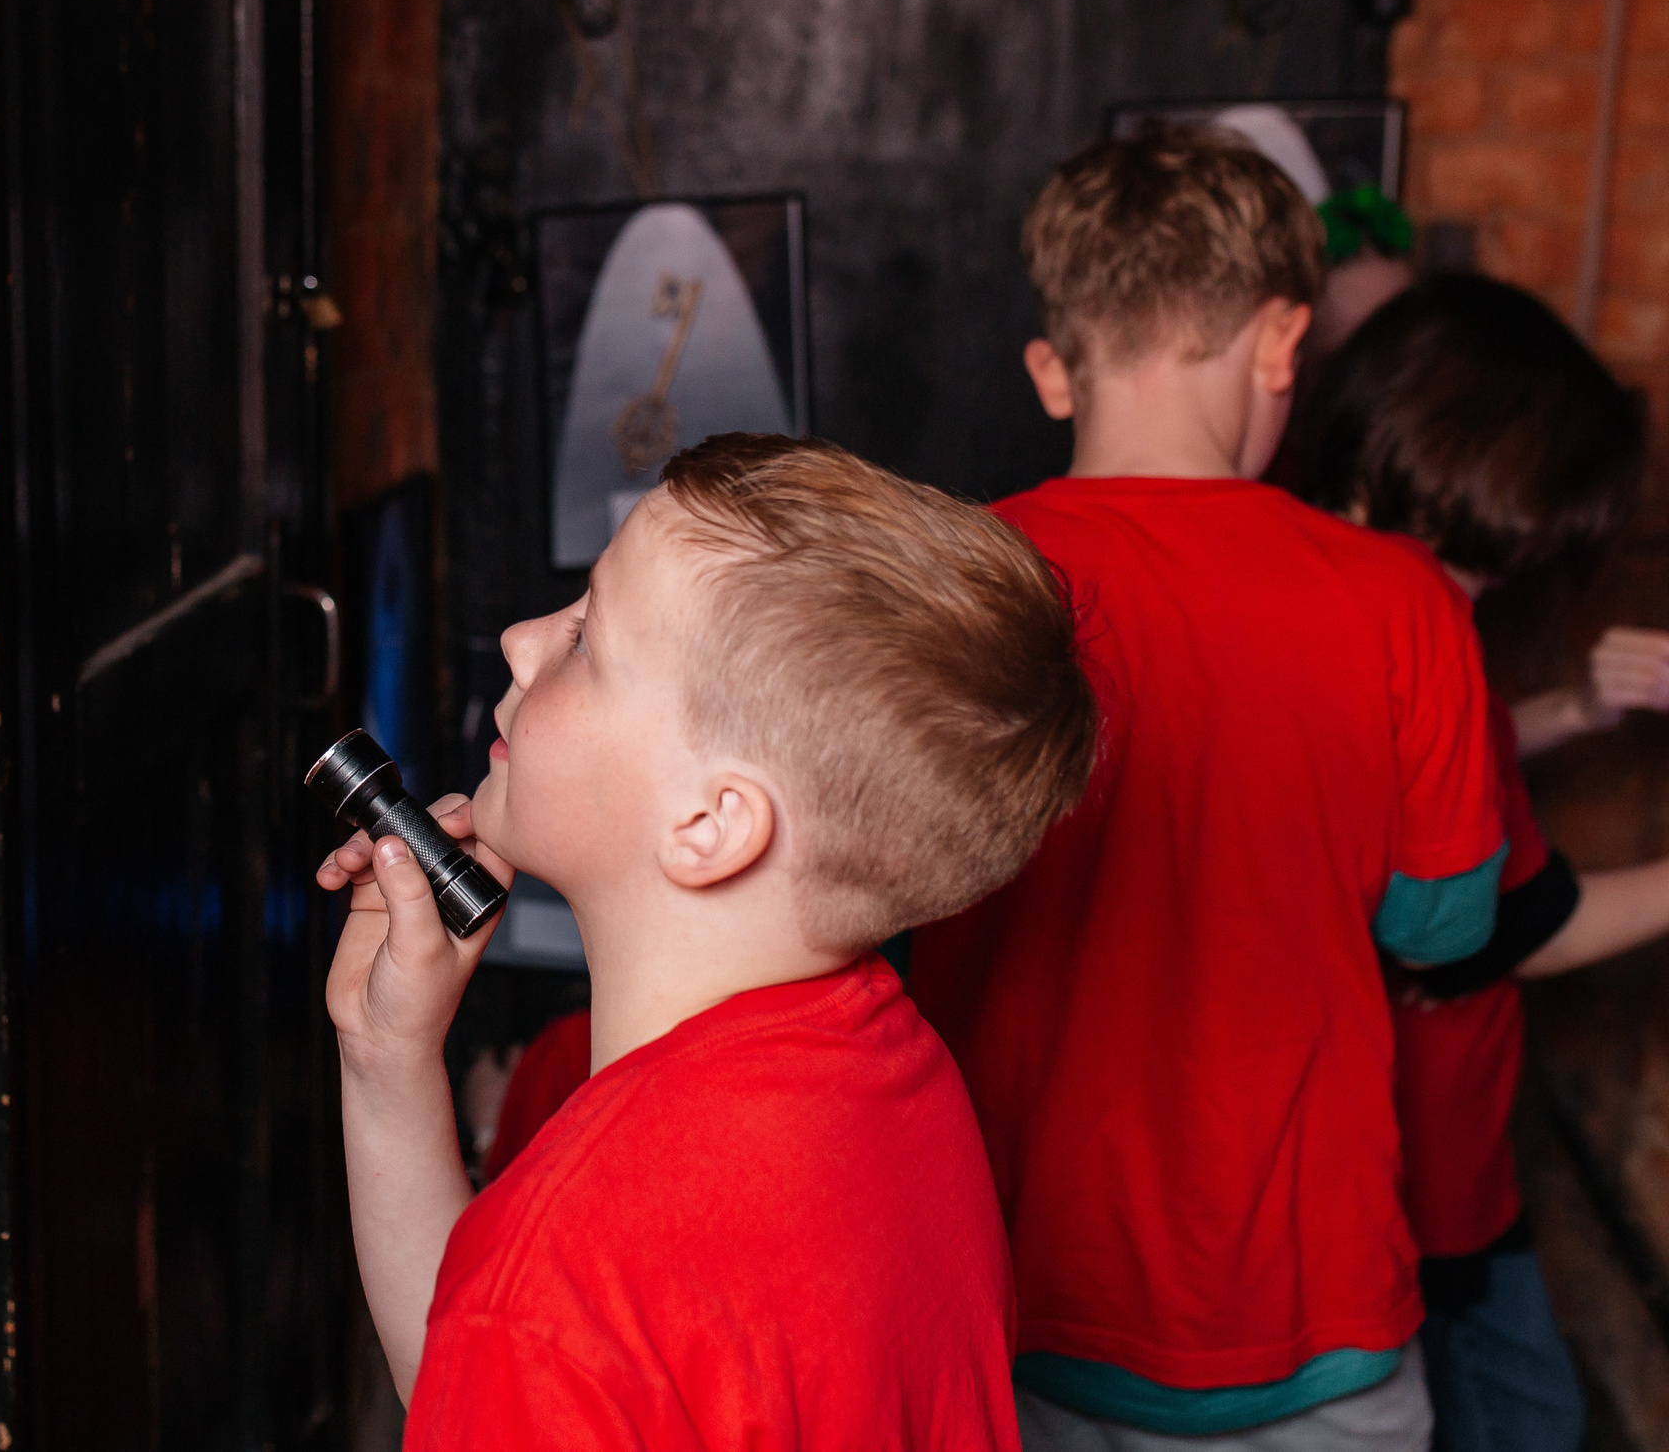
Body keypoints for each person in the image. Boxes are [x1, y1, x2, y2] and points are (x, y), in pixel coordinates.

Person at [904, 124, 1508, 1448]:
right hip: (1313, 1304)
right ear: (1283, 342)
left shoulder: (949, 585)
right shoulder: (1402, 599)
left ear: (1053, 370)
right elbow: (1446, 927)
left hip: (1020, 1298)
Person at [317, 433, 1099, 1449]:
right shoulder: (906, 1086)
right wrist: (386, 1056)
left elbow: (525, 1350)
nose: (519, 639)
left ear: (709, 826)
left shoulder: (561, 1279)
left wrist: (514, 1299)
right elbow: (493, 1385)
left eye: (586, 639)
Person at [1298, 272, 1668, 1451]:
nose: (1515, 570)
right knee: (1524, 1418)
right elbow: (1522, 925)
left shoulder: (1321, 584)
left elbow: (1426, 765)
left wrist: (1569, 708)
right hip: (1420, 1180)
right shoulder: (1427, 626)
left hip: (1413, 1160)